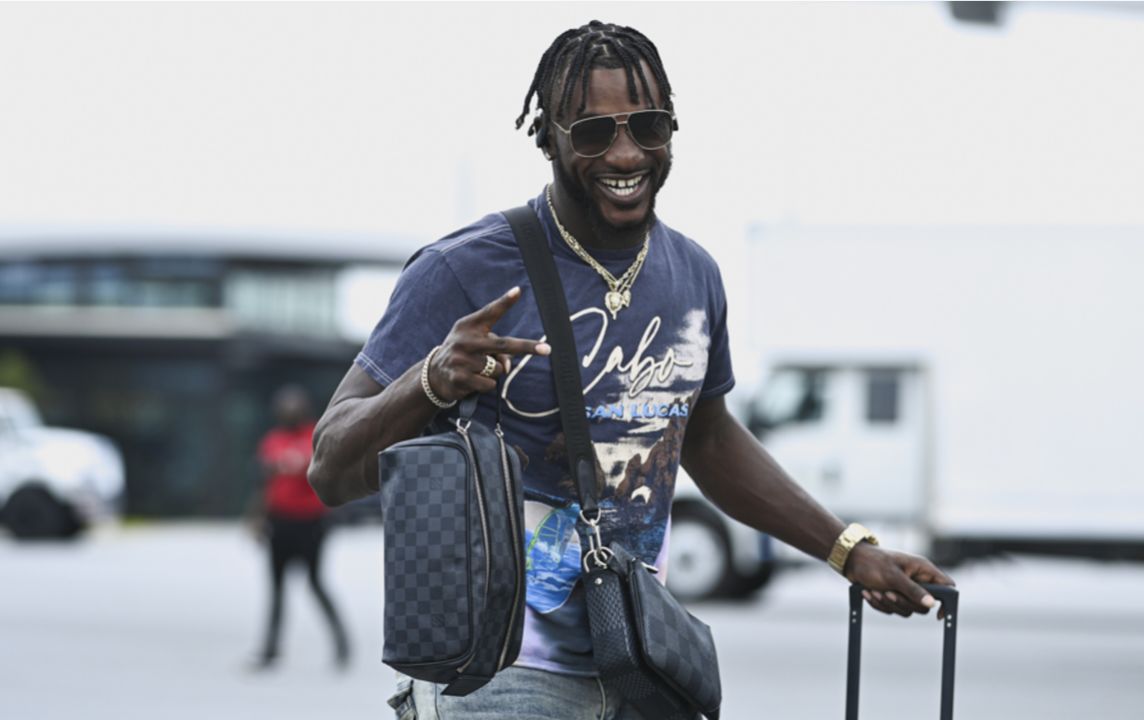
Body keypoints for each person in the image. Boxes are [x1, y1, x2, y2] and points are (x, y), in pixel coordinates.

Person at [308, 20, 953, 718]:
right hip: (499, 671)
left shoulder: (692, 275)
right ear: (548, 136)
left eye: (648, 126)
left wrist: (849, 553)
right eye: (592, 133)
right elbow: (329, 468)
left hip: (638, 661)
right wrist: (427, 381)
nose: (626, 152)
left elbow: (706, 438)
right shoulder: (463, 269)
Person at [248, 384, 350, 671]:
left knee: (316, 584)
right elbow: (264, 484)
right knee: (276, 589)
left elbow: (333, 478)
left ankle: (342, 645)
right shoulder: (272, 441)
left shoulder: (316, 437)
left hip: (311, 523)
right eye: (284, 407)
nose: (288, 411)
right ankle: (270, 651)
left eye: (294, 406)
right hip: (279, 523)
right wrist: (256, 519)